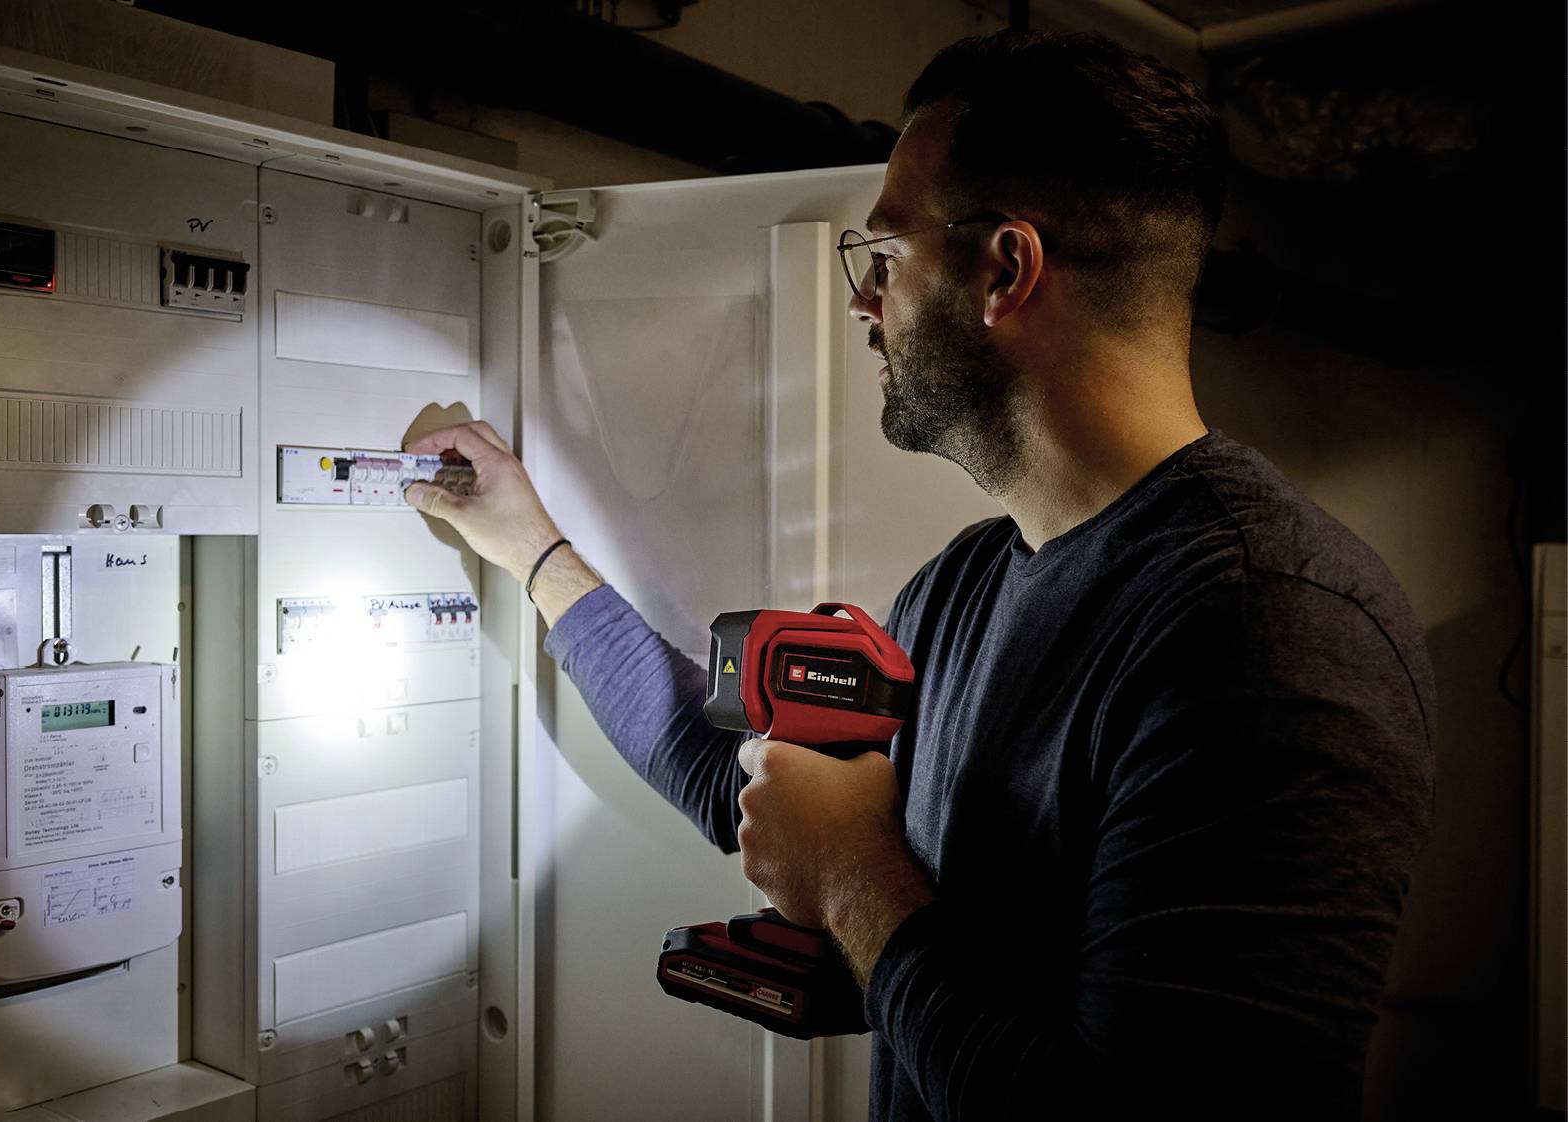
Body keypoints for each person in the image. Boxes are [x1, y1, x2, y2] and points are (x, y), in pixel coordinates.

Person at [404, 28, 1434, 1121]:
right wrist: (530, 551)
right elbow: (754, 788)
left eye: (884, 258)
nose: (863, 303)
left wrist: (855, 881)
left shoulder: (1266, 629)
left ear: (1002, 270)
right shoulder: (965, 588)